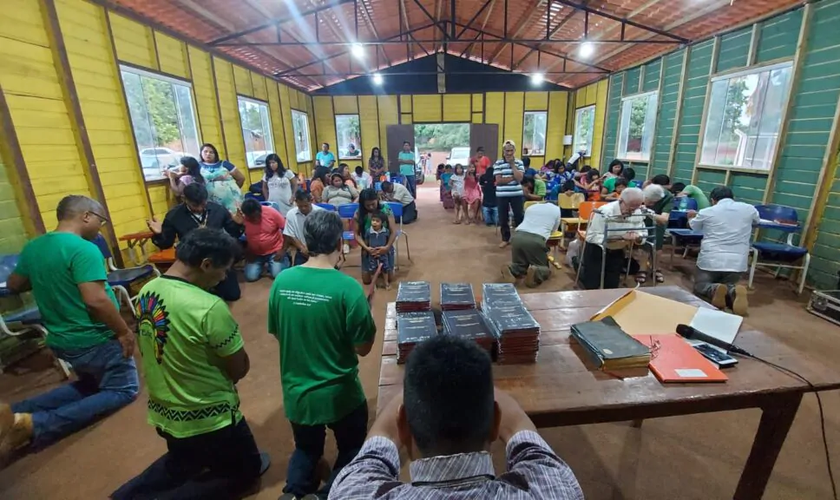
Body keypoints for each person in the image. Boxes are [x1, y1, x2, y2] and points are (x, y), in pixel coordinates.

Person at [112, 229, 268, 500]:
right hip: (209, 416)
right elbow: (238, 368)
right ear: (206, 264)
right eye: (224, 270)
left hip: (165, 411)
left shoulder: (148, 290)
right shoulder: (207, 306)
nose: (224, 278)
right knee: (245, 472)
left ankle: (125, 495)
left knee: (181, 461)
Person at [329, 335, 584, 499]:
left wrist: (417, 388)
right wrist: (476, 386)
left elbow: (376, 447)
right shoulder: (555, 490)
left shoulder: (352, 493)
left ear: (404, 426)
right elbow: (522, 431)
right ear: (494, 424)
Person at [1, 195, 138, 461]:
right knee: (123, 390)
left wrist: (49, 280)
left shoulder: (34, 248)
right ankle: (34, 425)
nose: (101, 226)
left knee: (90, 384)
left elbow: (15, 284)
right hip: (94, 338)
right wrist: (123, 331)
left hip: (63, 340)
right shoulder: (83, 249)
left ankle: (14, 413)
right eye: (101, 220)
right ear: (86, 216)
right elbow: (96, 300)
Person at [269, 210, 377, 500]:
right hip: (340, 394)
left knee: (306, 448)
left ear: (307, 240)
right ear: (339, 243)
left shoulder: (281, 282)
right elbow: (363, 347)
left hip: (298, 393)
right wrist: (366, 311)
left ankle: (293, 494)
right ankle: (326, 495)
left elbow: (280, 333)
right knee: (352, 449)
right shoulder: (347, 288)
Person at [148, 183, 244, 301]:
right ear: (184, 199)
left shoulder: (218, 210)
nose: (199, 208)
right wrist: (158, 234)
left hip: (217, 258)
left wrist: (238, 224)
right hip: (191, 261)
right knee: (195, 298)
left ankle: (213, 287)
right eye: (195, 205)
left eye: (203, 204)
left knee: (233, 295)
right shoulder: (174, 215)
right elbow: (166, 243)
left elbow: (233, 232)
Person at [688, 186, 758, 316]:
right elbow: (757, 221)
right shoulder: (749, 209)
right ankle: (733, 291)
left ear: (713, 200)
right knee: (729, 282)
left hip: (711, 259)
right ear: (733, 198)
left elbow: (694, 227)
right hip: (737, 261)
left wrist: (691, 217)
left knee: (701, 285)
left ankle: (713, 289)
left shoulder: (707, 211)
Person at [578, 187, 648, 290]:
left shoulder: (637, 212)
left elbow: (643, 233)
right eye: (630, 208)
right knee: (591, 285)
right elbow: (591, 236)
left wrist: (638, 238)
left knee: (611, 286)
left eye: (636, 207)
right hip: (597, 249)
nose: (632, 211)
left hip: (617, 251)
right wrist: (619, 237)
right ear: (621, 201)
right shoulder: (605, 212)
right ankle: (578, 263)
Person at [501, 202, 561, 288]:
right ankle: (536, 271)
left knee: (520, 264)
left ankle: (511, 268)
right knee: (544, 268)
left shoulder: (531, 207)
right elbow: (554, 229)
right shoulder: (556, 209)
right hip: (536, 239)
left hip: (517, 236)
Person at [355, 189, 397, 286]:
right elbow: (356, 235)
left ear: (377, 199)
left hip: (385, 246)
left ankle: (384, 269)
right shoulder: (358, 213)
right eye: (367, 205)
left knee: (391, 279)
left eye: (373, 204)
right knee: (366, 281)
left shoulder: (386, 209)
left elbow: (393, 232)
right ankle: (375, 269)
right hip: (368, 248)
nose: (371, 207)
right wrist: (367, 249)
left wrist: (386, 247)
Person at [241, 198, 288, 282]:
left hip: (275, 250)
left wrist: (282, 249)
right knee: (250, 277)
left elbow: (287, 230)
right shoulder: (243, 218)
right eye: (251, 218)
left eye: (257, 216)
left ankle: (285, 260)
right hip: (256, 253)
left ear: (260, 210)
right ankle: (265, 266)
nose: (255, 219)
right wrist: (247, 252)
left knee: (277, 275)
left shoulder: (271, 212)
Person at [494, 140, 526, 248]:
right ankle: (505, 239)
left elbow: (520, 179)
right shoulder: (498, 163)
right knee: (503, 218)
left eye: (511, 150)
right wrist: (513, 177)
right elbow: (498, 181)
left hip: (516, 194)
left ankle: (520, 239)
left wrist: (512, 165)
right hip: (502, 195)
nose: (509, 153)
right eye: (507, 151)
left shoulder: (519, 163)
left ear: (514, 151)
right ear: (503, 151)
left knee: (519, 217)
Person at [198, 143, 245, 214]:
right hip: (211, 201)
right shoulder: (198, 166)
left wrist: (232, 190)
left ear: (215, 154)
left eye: (211, 152)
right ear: (201, 153)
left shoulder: (225, 164)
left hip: (232, 201)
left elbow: (241, 178)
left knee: (236, 219)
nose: (208, 154)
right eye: (205, 151)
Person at [641, 183, 673, 284]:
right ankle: (642, 269)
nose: (649, 203)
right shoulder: (643, 192)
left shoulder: (668, 197)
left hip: (658, 221)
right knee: (643, 245)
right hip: (642, 220)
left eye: (652, 202)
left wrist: (648, 211)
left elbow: (663, 219)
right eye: (648, 200)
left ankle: (655, 269)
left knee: (657, 245)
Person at [283, 190, 324, 267]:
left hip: (320, 250)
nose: (303, 208)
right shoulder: (291, 214)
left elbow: (324, 234)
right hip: (302, 250)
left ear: (311, 201)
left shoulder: (321, 213)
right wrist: (302, 248)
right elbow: (291, 235)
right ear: (296, 202)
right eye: (300, 206)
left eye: (306, 205)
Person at [365, 212, 392, 289]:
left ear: (382, 222)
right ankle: (374, 284)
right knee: (372, 268)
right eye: (373, 220)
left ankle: (386, 283)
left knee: (385, 268)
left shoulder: (386, 231)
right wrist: (367, 249)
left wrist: (386, 249)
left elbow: (388, 242)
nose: (374, 222)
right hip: (372, 253)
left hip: (383, 253)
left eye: (377, 221)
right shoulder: (368, 231)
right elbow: (366, 241)